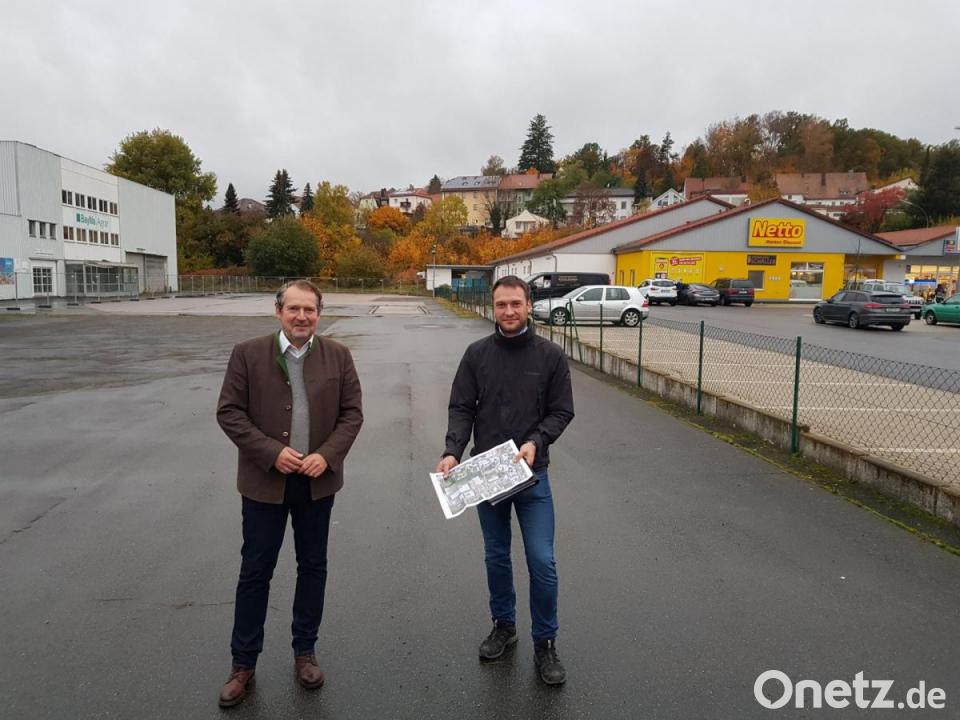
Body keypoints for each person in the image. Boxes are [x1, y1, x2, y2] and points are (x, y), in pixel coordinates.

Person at [216, 280, 363, 708]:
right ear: (278, 310)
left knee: (312, 567)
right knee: (255, 571)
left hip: (316, 483)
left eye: (309, 310)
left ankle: (305, 652)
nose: (302, 317)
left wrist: (327, 456)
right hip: (265, 483)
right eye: (294, 309)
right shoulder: (247, 354)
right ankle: (243, 663)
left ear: (319, 313)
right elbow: (229, 412)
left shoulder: (338, 355)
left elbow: (352, 414)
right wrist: (271, 452)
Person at [436, 275, 575, 686]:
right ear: (493, 308)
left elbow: (561, 411)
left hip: (532, 475)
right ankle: (504, 626)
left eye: (516, 303)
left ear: (529, 305)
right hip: (487, 475)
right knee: (496, 556)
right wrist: (452, 451)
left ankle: (545, 642)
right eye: (501, 304)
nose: (509, 311)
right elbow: (462, 407)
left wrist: (536, 441)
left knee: (542, 561)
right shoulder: (477, 354)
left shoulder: (550, 356)